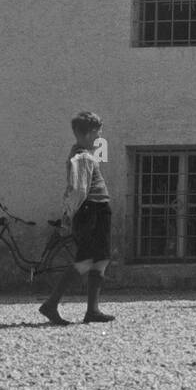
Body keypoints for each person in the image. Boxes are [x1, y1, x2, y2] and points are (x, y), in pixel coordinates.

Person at [40, 110, 114, 325]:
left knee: (101, 259)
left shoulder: (85, 154)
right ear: (90, 133)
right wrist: (68, 216)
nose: (100, 137)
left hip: (97, 209)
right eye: (98, 132)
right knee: (85, 261)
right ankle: (51, 304)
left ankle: (93, 310)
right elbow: (79, 191)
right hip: (90, 210)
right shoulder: (81, 156)